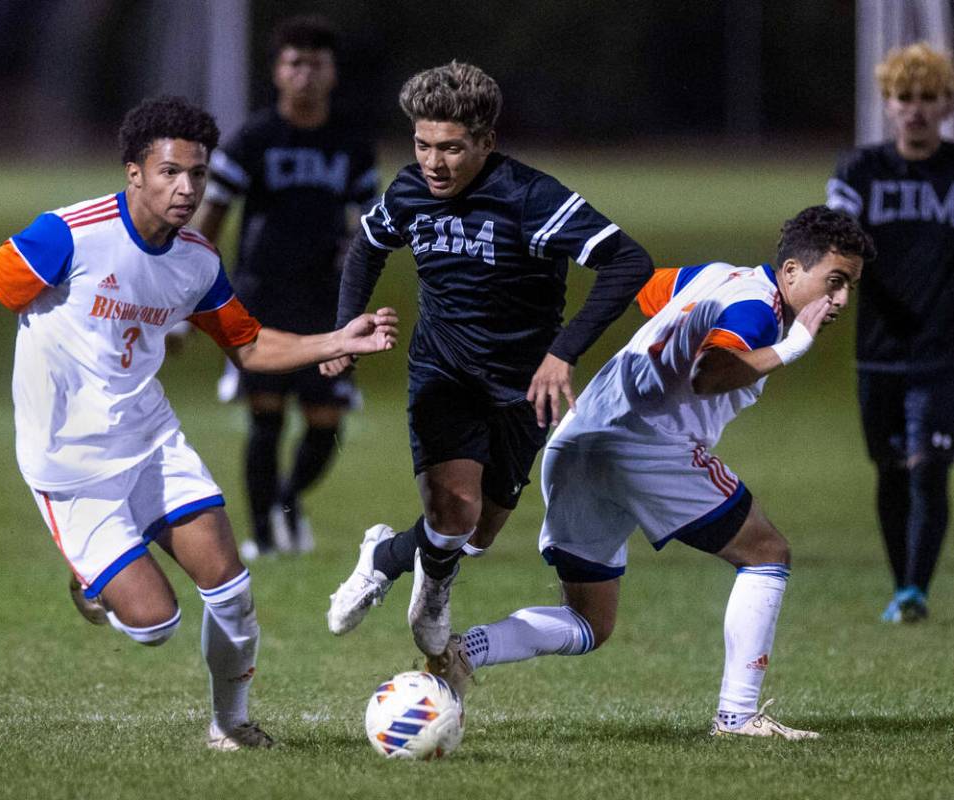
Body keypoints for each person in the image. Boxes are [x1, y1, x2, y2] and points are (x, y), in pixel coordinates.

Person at [0, 96, 398, 751]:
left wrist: (336, 340)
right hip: (69, 468)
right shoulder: (70, 235)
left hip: (151, 442)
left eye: (197, 173)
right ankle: (90, 581)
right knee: (154, 624)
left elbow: (247, 347)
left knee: (232, 589)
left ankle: (230, 723)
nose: (186, 187)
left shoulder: (195, 261)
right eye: (169, 172)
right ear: (134, 172)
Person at [424, 206, 874, 740]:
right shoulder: (758, 308)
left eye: (849, 286)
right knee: (766, 553)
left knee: (590, 621)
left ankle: (464, 650)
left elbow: (647, 291)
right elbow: (711, 374)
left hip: (579, 438)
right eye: (835, 282)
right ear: (794, 271)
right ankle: (736, 716)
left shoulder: (715, 276)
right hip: (646, 445)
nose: (841, 300)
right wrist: (792, 345)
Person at [323, 61, 654, 657]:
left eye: (451, 148)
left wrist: (562, 353)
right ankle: (434, 579)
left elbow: (627, 263)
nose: (433, 163)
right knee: (455, 509)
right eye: (423, 145)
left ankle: (387, 554)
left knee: (476, 532)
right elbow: (367, 248)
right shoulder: (408, 191)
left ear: (486, 142)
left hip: (525, 388)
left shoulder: (529, 197)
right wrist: (348, 326)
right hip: (442, 371)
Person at [190, 15, 379, 560]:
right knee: (265, 416)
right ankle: (265, 537)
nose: (305, 74)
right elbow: (214, 214)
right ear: (277, 72)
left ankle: (287, 503)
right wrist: (195, 287)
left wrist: (358, 272)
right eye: (295, 63)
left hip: (328, 301)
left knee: (326, 422)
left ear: (332, 72)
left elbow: (371, 224)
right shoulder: (254, 139)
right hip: (262, 297)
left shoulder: (351, 144)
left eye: (316, 63)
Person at [827, 42, 954, 624]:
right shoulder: (860, 171)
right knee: (889, 470)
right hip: (877, 349)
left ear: (947, 103)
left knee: (927, 466)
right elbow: (837, 239)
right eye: (906, 98)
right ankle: (900, 582)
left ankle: (914, 593)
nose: (917, 109)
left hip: (943, 350)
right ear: (888, 104)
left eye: (929, 97)